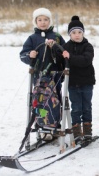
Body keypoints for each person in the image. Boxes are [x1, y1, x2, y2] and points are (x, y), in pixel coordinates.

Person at [19, 7, 65, 140]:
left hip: (55, 75)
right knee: (41, 100)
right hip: (39, 76)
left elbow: (64, 54)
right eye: (40, 20)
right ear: (35, 22)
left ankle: (54, 125)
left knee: (54, 100)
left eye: (45, 20)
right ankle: (43, 126)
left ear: (49, 21)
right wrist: (30, 55)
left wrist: (55, 48)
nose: (43, 22)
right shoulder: (32, 38)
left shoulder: (56, 37)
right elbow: (23, 55)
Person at [62, 16, 95, 138]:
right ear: (70, 34)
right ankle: (76, 130)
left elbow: (85, 60)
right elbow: (62, 62)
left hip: (86, 82)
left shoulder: (88, 46)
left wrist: (70, 57)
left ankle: (87, 130)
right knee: (75, 108)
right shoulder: (66, 47)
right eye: (74, 32)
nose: (77, 35)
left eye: (79, 32)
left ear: (83, 33)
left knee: (86, 106)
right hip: (72, 83)